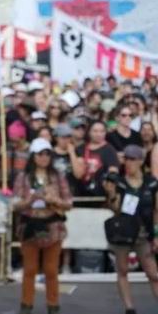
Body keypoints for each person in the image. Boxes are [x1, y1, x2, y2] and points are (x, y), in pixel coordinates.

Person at [12, 138, 73, 314]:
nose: (44, 157)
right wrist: (29, 200)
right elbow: (15, 204)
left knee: (51, 270)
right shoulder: (23, 177)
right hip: (30, 226)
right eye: (40, 154)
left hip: (53, 226)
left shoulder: (58, 176)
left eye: (47, 154)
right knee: (29, 270)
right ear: (33, 156)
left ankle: (53, 306)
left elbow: (69, 202)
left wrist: (55, 200)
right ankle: (26, 305)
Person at [104, 145, 158, 314]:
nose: (129, 162)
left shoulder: (152, 183)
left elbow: (157, 210)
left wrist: (156, 234)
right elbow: (116, 209)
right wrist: (111, 194)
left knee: (153, 273)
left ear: (141, 161)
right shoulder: (119, 182)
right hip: (123, 233)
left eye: (133, 159)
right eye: (126, 158)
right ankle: (129, 307)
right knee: (122, 270)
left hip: (143, 234)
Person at [73, 120, 120, 197]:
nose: (99, 134)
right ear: (89, 132)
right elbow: (78, 174)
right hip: (81, 192)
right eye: (95, 131)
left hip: (101, 194)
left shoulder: (109, 149)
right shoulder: (80, 149)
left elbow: (113, 170)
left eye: (102, 131)